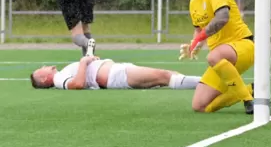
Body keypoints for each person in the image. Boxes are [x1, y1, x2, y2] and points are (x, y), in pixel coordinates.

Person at [183, 0, 254, 114]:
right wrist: (193, 45)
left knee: (213, 57)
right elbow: (199, 30)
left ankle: (248, 101)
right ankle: (250, 90)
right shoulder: (193, 2)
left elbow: (222, 18)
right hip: (220, 57)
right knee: (200, 106)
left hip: (243, 45)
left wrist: (200, 38)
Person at [29, 56, 201, 90]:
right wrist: (84, 62)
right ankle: (209, 83)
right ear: (44, 79)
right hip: (116, 76)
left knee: (167, 76)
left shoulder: (62, 74)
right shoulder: (58, 79)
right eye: (42, 68)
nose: (46, 65)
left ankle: (205, 84)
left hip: (118, 71)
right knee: (165, 76)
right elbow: (77, 84)